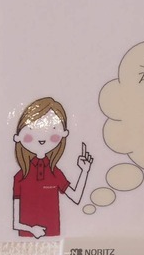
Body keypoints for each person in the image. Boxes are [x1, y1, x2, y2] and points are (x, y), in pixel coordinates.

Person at [12, 97, 93, 238]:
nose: (42, 139)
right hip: (27, 237)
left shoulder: (54, 172)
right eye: (32, 130)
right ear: (19, 136)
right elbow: (15, 223)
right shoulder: (20, 177)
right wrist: (32, 230)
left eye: (53, 130)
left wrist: (84, 171)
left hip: (55, 236)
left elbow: (76, 197)